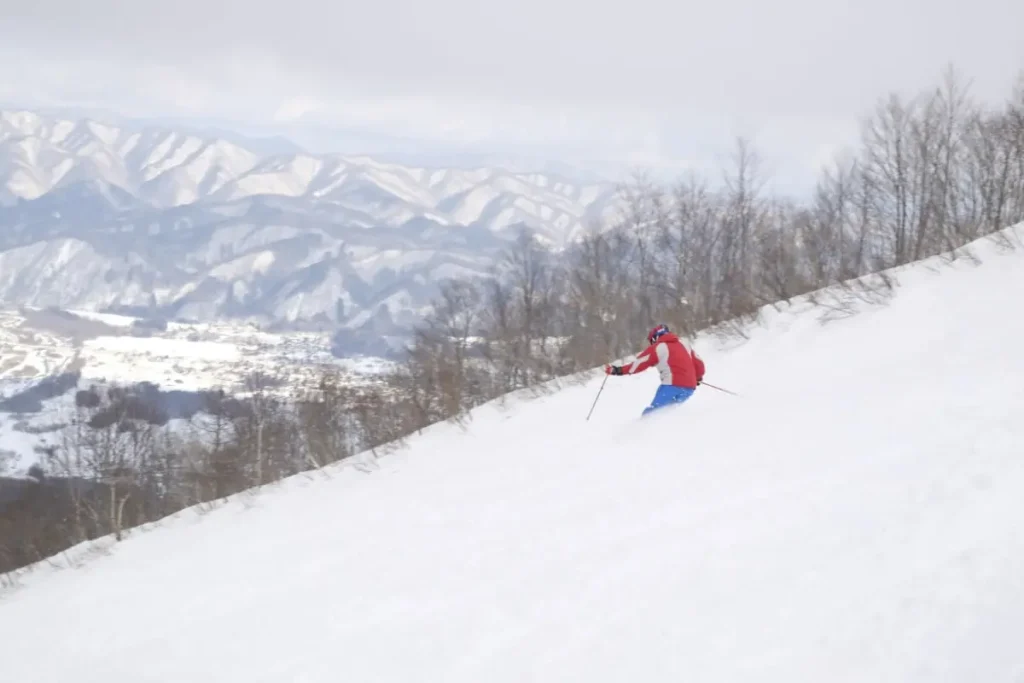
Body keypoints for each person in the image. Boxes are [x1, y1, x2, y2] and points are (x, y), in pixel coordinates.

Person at [605, 324, 705, 416]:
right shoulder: (684, 344)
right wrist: (698, 377)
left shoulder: (658, 347)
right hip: (689, 388)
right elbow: (699, 363)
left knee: (653, 414)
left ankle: (640, 431)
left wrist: (617, 370)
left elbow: (637, 365)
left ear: (655, 337)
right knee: (669, 414)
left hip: (671, 386)